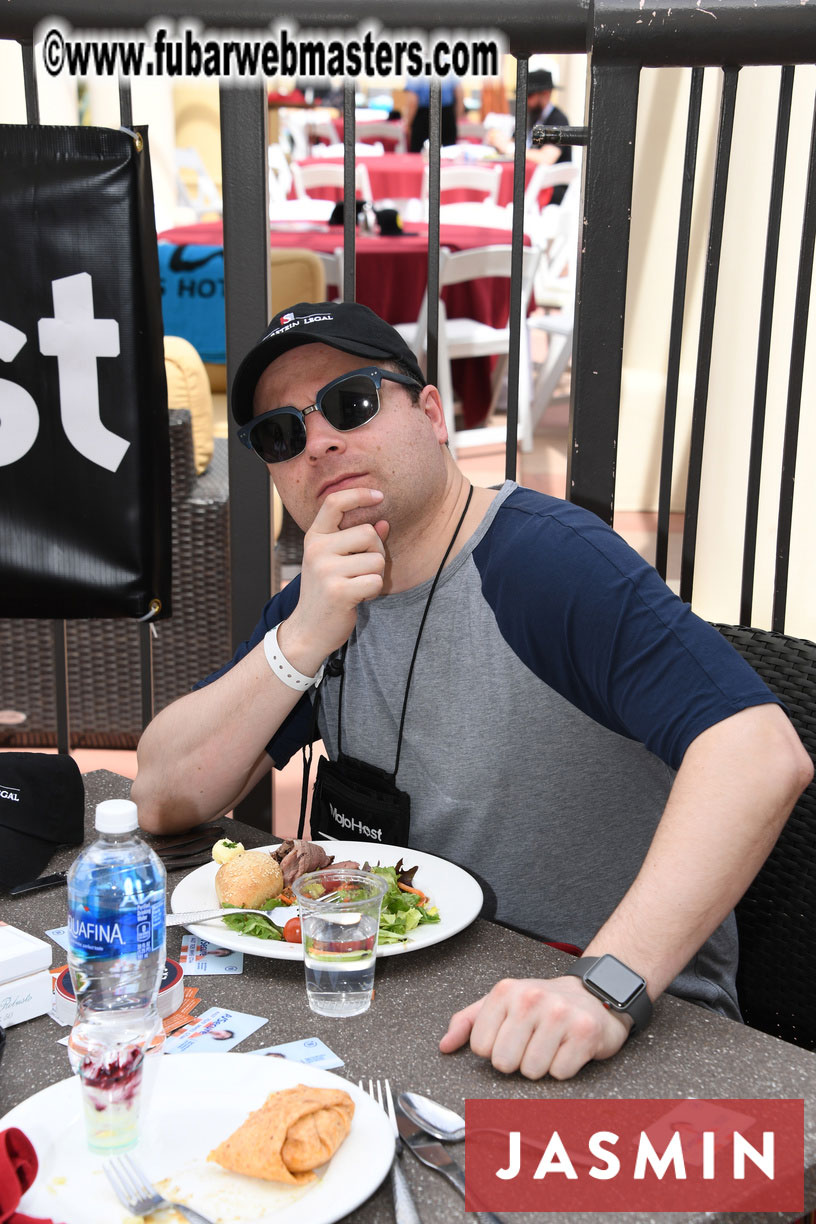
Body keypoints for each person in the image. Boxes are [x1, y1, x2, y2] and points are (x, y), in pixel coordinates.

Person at [132, 301, 812, 1081]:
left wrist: (606, 987)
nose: (318, 441)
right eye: (282, 435)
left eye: (350, 404)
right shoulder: (322, 600)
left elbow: (761, 753)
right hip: (413, 1013)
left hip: (611, 1026)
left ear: (430, 413)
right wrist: (300, 641)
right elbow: (161, 796)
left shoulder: (545, 562)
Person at [486, 65, 572, 203]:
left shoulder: (558, 119)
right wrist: (499, 141)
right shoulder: (529, 117)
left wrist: (510, 148)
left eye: (530, 95)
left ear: (546, 94)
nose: (526, 100)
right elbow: (513, 143)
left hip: (548, 191)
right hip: (526, 184)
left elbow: (547, 158)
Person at [402, 79, 465, 151]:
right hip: (446, 116)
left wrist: (408, 124)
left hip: (423, 117)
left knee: (420, 155)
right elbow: (459, 94)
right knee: (448, 154)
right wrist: (455, 118)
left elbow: (412, 101)